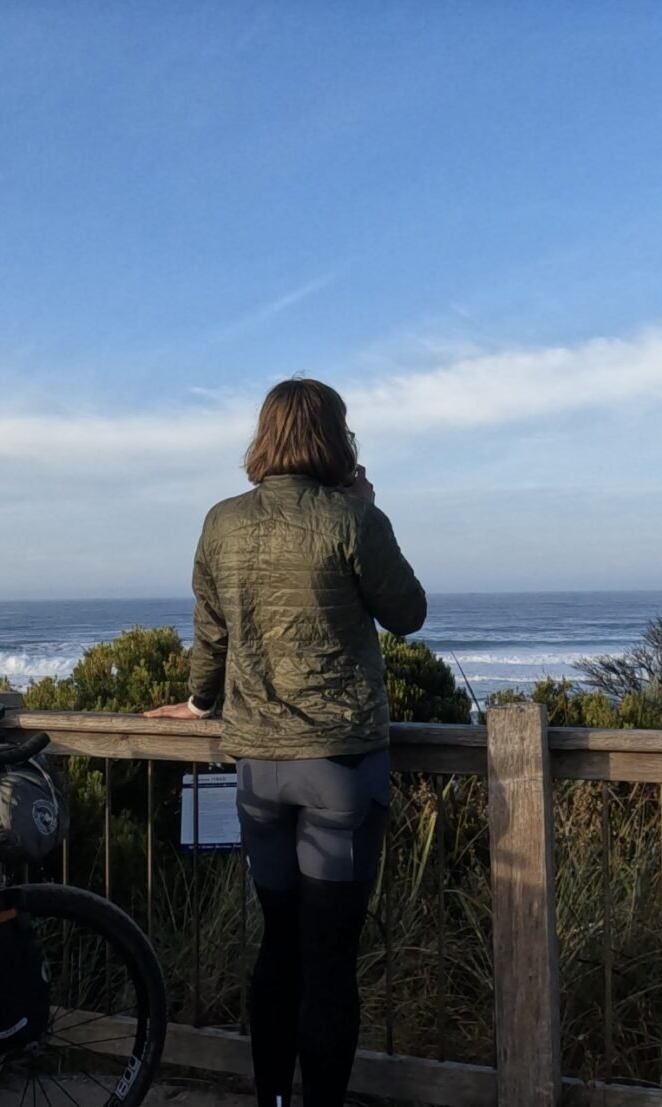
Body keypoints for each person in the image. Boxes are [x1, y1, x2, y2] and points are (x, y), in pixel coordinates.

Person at [146, 377, 426, 1107]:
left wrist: (198, 700)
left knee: (278, 945)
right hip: (337, 765)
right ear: (337, 439)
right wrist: (369, 509)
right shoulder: (349, 518)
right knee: (329, 961)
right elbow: (410, 612)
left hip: (257, 772)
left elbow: (211, 633)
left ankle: (269, 1098)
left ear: (264, 436)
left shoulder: (221, 522)